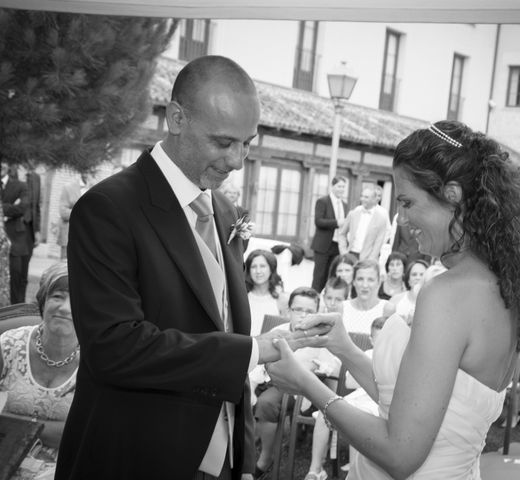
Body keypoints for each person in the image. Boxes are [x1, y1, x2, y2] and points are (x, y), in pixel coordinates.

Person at [55, 55, 329, 480]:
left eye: (247, 143)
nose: (237, 160)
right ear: (176, 118)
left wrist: (265, 344)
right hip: (139, 453)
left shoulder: (223, 209)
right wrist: (252, 351)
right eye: (223, 142)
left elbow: (214, 316)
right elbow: (114, 346)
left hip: (222, 455)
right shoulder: (109, 208)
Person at [267, 120, 520, 479]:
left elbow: (400, 453)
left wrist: (306, 383)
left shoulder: (448, 293)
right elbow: (416, 404)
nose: (401, 218)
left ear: (452, 195)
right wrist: (344, 347)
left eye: (408, 202)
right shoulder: (503, 285)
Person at [252, 287, 340, 478]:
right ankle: (265, 451)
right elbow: (259, 359)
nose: (303, 315)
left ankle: (265, 458)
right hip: (270, 380)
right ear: (289, 310)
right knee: (256, 396)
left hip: (299, 389)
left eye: (309, 311)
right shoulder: (278, 331)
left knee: (267, 402)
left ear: (317, 314)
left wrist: (323, 367)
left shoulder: (319, 336)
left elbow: (332, 364)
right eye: (298, 309)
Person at [0, 262, 77, 479]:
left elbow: (86, 434)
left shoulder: (96, 361)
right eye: (58, 296)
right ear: (43, 301)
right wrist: (52, 430)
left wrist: (12, 423)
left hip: (64, 469)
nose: (65, 307)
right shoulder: (8, 345)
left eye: (76, 299)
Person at [304, 316, 386, 480]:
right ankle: (315, 469)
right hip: (360, 396)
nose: (382, 345)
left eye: (386, 340)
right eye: (379, 339)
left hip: (376, 403)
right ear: (371, 340)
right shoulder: (367, 354)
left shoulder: (396, 358)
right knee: (325, 412)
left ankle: (355, 473)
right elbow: (349, 381)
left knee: (362, 418)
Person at [311, 177, 348, 292]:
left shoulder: (345, 205)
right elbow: (318, 221)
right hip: (323, 245)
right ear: (332, 186)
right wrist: (337, 222)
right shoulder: (323, 201)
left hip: (338, 246)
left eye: (343, 187)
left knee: (333, 276)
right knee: (319, 277)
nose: (341, 189)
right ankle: (314, 299)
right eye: (339, 186)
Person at [1, 163, 31, 304]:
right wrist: (10, 206)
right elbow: (16, 208)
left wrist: (3, 208)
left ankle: (15, 315)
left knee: (16, 279)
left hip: (14, 240)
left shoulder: (21, 186)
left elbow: (22, 207)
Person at [338, 186, 390, 261]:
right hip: (351, 255)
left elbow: (379, 242)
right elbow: (342, 234)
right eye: (362, 196)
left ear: (374, 199)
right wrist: (344, 252)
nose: (362, 199)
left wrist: (371, 259)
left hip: (368, 258)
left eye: (366, 197)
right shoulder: (353, 214)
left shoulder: (381, 218)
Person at [246, 249, 288, 336]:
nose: (258, 271)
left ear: (271, 269)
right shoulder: (243, 297)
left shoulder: (281, 300)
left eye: (262, 266)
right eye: (253, 267)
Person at [341, 259, 389, 334]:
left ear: (378, 282)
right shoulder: (342, 307)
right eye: (360, 279)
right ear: (353, 281)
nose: (365, 285)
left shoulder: (387, 308)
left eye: (370, 280)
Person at [57, 173, 95, 260]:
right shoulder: (68, 187)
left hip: (88, 239)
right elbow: (63, 212)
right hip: (69, 235)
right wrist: (83, 213)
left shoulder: (96, 188)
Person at [383, 259, 430, 323]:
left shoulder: (433, 302)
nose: (418, 278)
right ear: (408, 279)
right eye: (414, 274)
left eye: (422, 275)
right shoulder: (396, 300)